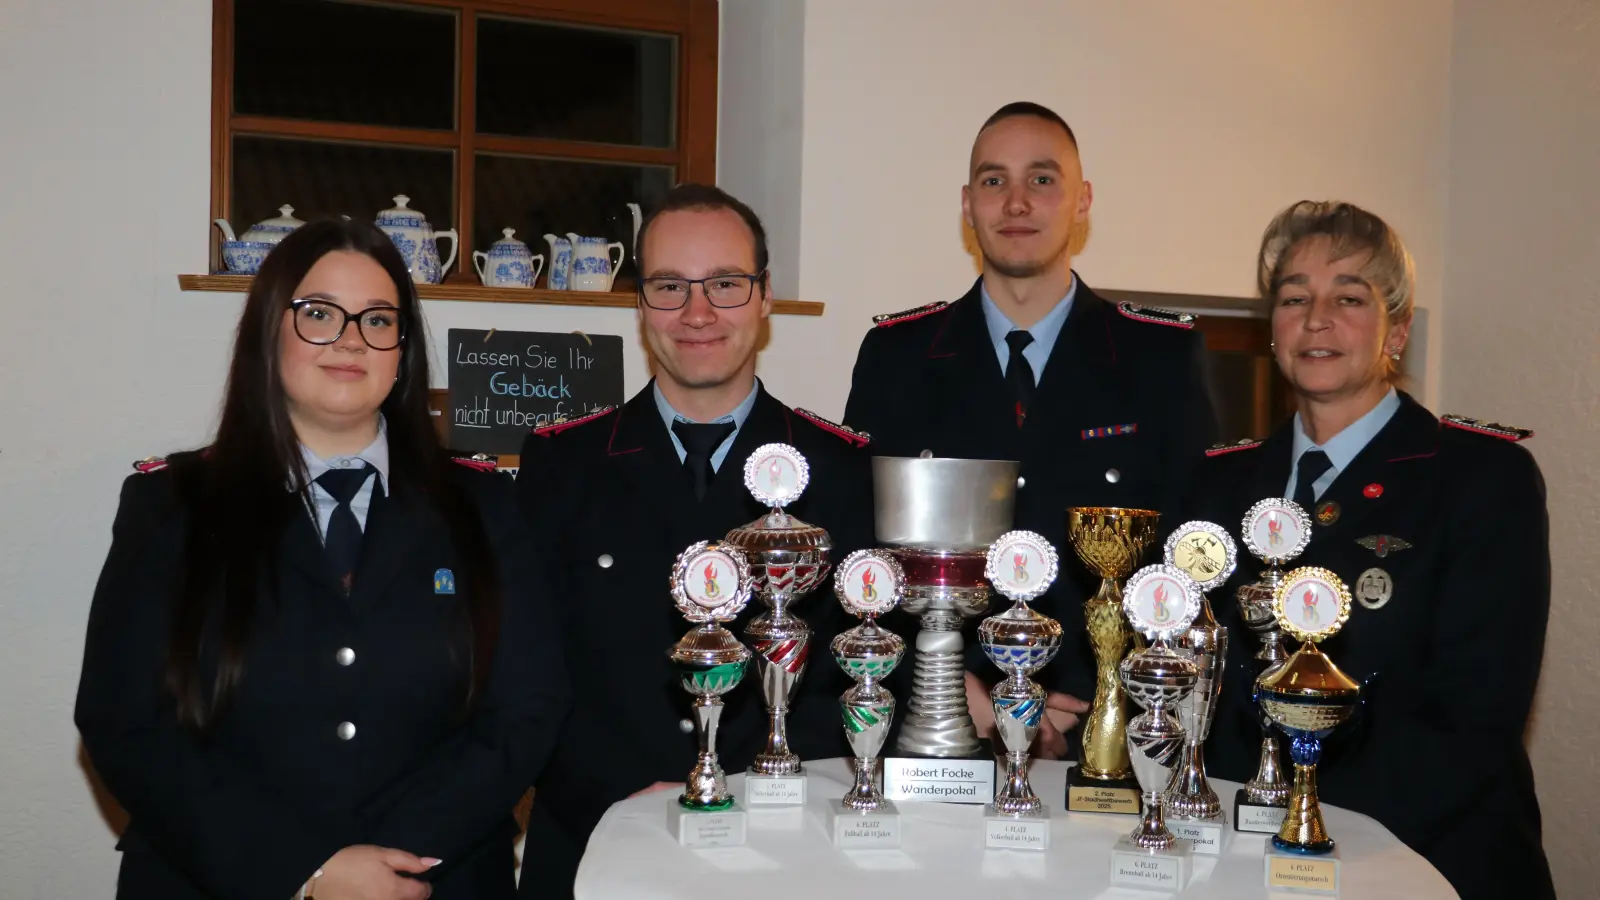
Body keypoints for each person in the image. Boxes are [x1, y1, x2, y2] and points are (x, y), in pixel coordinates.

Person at [74, 219, 571, 900]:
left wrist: (389, 864)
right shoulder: (172, 505)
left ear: (402, 350)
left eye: (378, 319)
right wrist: (305, 868)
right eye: (318, 313)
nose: (351, 339)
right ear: (268, 330)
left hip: (432, 878)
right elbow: (124, 721)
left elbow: (528, 707)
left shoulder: (483, 505)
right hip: (216, 879)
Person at [514, 183, 875, 900]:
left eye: (726, 283)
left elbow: (851, 673)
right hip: (595, 840)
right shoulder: (562, 464)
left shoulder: (840, 468)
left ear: (765, 296)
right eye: (670, 285)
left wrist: (753, 796)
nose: (698, 311)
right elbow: (530, 670)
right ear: (640, 303)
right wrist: (627, 802)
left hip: (784, 855)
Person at [1194, 200, 1553, 899]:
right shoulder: (1217, 483)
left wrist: (1313, 837)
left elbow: (1474, 719)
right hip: (1246, 862)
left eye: (1349, 298)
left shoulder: (1480, 477)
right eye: (1294, 297)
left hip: (1421, 860)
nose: (1316, 318)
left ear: (1399, 330)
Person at [841, 101, 1218, 757]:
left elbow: (1191, 555)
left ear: (1082, 201)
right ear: (968, 205)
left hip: (1106, 740)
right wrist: (946, 686)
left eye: (1042, 179)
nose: (1016, 202)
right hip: (936, 731)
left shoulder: (1159, 358)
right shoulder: (897, 357)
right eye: (994, 181)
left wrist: (1102, 700)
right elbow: (861, 554)